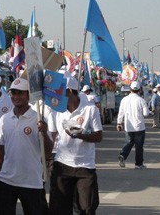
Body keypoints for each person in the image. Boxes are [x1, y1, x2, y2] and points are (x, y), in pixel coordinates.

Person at [0, 78, 52, 215]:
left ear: (28, 95)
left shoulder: (38, 120)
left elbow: (47, 152)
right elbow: (0, 150)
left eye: (20, 93)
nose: (16, 97)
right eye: (13, 93)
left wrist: (45, 133)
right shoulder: (5, 119)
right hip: (5, 181)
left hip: (31, 182)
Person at [49, 76, 103, 214]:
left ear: (70, 92)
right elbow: (53, 136)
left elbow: (99, 136)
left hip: (85, 167)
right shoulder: (56, 111)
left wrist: (80, 135)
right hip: (62, 165)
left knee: (86, 208)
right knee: (58, 208)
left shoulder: (90, 110)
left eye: (61, 92)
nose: (58, 95)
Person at [117, 81, 150, 169]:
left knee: (128, 142)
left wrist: (119, 123)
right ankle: (138, 164)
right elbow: (146, 113)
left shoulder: (124, 100)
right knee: (139, 146)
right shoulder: (141, 100)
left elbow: (121, 113)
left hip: (128, 126)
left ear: (130, 89)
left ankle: (123, 155)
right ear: (139, 90)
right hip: (139, 126)